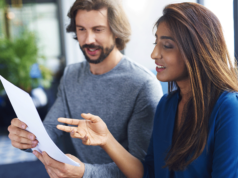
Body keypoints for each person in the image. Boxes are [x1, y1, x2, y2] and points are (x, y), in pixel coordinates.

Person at [57, 2, 238, 178]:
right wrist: (107, 140)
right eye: (156, 43)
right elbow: (149, 172)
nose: (154, 54)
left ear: (197, 50)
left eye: (166, 46)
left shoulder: (228, 108)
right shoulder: (166, 105)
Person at [7, 0, 163, 177]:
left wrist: (84, 172)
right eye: (81, 29)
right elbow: (51, 127)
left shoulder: (143, 85)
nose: (88, 40)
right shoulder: (71, 75)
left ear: (116, 31)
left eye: (98, 29)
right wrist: (27, 138)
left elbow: (143, 171)